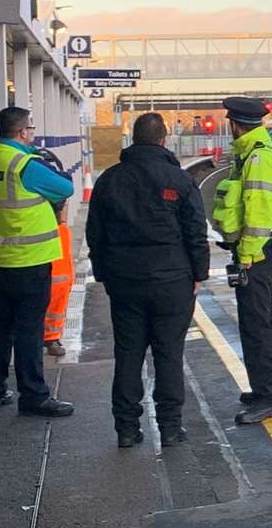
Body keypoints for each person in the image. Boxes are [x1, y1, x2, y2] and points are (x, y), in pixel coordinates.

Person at [87, 112, 209, 448]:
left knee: (128, 354)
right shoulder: (179, 180)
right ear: (163, 139)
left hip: (125, 281)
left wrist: (104, 273)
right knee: (169, 353)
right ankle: (170, 428)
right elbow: (196, 232)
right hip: (172, 281)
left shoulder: (110, 180)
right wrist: (199, 273)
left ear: (133, 138)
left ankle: (127, 429)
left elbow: (94, 233)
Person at [0, 106, 74, 417]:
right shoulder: (25, 164)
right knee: (30, 330)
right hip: (29, 260)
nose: (33, 134)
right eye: (31, 129)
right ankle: (33, 395)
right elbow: (65, 187)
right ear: (21, 132)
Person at [211, 96, 272, 424]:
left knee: (257, 324)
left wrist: (246, 257)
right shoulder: (250, 154)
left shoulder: (257, 158)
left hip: (256, 252)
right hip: (257, 250)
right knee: (263, 319)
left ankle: (269, 395)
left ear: (234, 124)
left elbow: (258, 212)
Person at [35, 148, 73, 359]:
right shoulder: (46, 181)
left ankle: (51, 336)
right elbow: (66, 189)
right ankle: (50, 336)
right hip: (48, 236)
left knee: (58, 287)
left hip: (47, 237)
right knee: (57, 287)